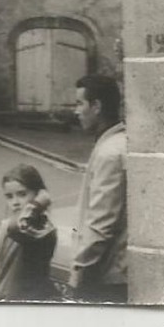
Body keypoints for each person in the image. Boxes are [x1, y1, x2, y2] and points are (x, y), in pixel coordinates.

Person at [70, 74, 127, 303]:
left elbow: (100, 225)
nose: (75, 111)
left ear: (96, 106)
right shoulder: (118, 143)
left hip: (106, 278)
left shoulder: (109, 154)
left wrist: (78, 273)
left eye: (79, 103)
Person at [0, 163, 59, 302]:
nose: (15, 202)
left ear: (38, 194)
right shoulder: (7, 226)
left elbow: (20, 228)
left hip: (26, 302)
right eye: (9, 197)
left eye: (22, 194)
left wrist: (36, 205)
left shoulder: (44, 231)